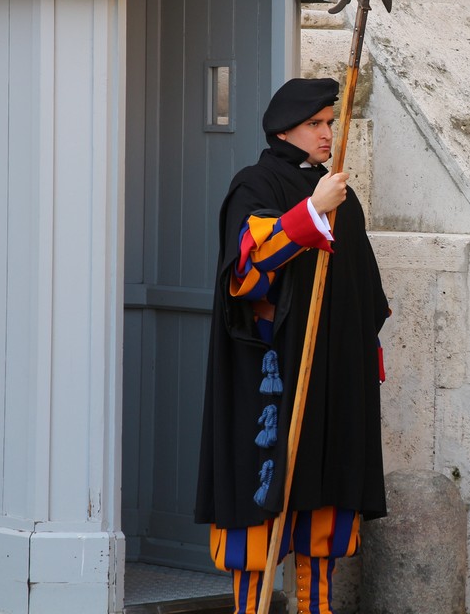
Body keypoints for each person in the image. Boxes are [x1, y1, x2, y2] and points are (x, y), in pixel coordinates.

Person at [195, 77, 390, 614]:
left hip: (330, 374)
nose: (328, 133)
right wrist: (311, 214)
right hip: (271, 378)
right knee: (259, 502)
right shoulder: (255, 184)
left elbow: (363, 296)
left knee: (324, 491)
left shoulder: (341, 199)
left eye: (330, 122)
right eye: (316, 125)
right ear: (286, 131)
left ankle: (316, 607)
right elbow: (248, 267)